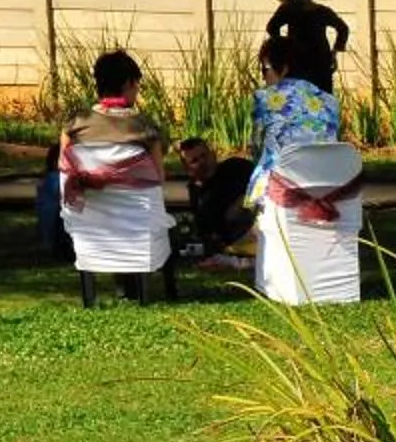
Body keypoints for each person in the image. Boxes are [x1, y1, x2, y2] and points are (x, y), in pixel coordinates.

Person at [55, 49, 172, 307]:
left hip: (91, 225)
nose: (137, 92)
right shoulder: (144, 127)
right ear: (129, 83)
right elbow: (158, 178)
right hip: (137, 223)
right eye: (137, 86)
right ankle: (139, 285)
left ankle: (101, 291)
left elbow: (64, 169)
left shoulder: (74, 125)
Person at [245, 34, 341, 207]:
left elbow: (257, 148)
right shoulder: (329, 101)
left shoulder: (265, 98)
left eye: (265, 69)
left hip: (280, 190)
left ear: (284, 68)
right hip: (325, 187)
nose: (263, 76)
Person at [265, 0, 350, 95]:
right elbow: (272, 27)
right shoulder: (288, 10)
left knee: (322, 98)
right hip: (297, 62)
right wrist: (283, 49)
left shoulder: (321, 12)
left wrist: (335, 52)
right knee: (300, 99)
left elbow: (343, 28)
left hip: (320, 62)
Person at [176, 138, 254, 268]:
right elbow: (212, 231)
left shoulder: (237, 166)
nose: (202, 162)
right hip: (239, 237)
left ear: (213, 154)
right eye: (195, 161)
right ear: (188, 168)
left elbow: (265, 179)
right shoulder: (199, 193)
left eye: (204, 156)